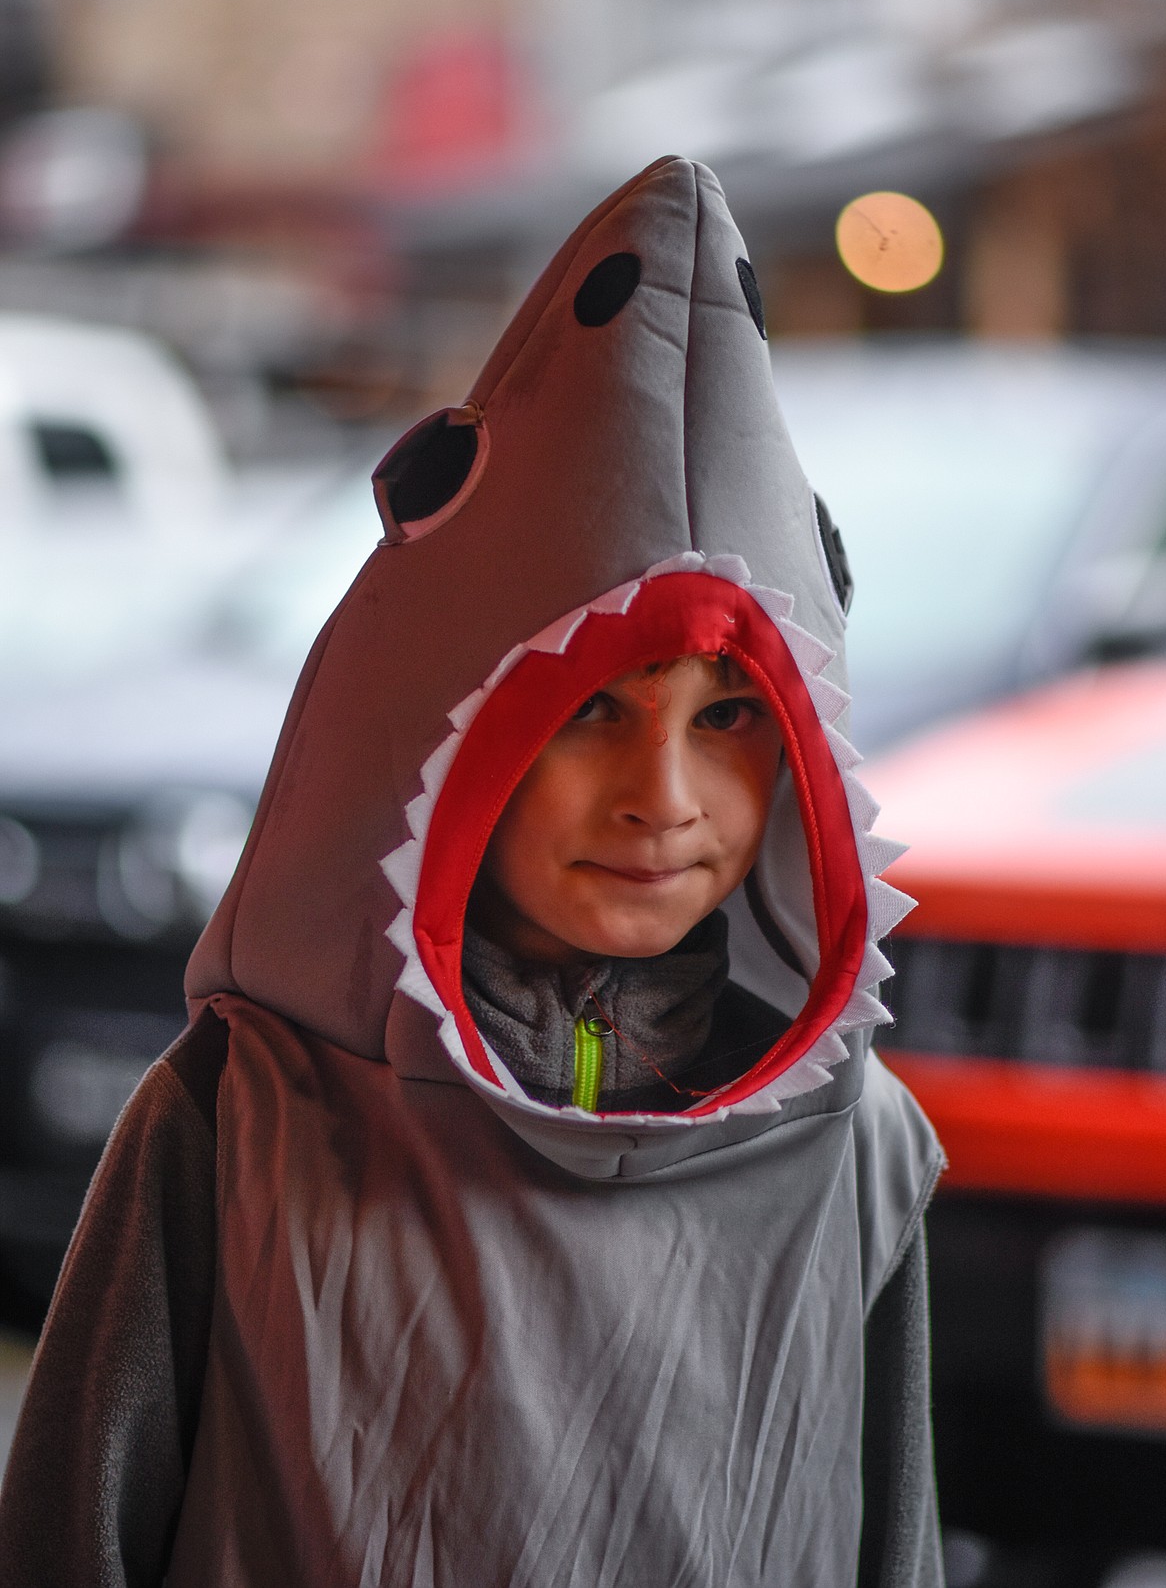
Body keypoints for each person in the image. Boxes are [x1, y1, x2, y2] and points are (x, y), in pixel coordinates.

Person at [0, 155, 944, 1586]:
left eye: (731, 717)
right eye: (588, 713)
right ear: (456, 733)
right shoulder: (237, 1125)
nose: (663, 802)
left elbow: (894, 1547)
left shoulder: (852, 1149)